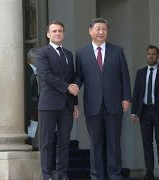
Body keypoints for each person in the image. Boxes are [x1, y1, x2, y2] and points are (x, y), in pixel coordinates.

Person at [75, 18, 131, 180]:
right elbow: (79, 76)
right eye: (98, 29)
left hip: (114, 104)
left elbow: (124, 76)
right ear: (90, 31)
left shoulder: (117, 51)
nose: (101, 32)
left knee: (114, 143)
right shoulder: (81, 53)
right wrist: (74, 87)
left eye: (104, 29)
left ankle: (115, 175)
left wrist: (126, 97)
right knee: (96, 144)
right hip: (93, 105)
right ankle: (96, 176)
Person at [35, 20, 79, 180]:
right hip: (48, 103)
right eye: (54, 31)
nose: (57, 33)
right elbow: (46, 75)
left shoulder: (68, 54)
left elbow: (72, 79)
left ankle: (62, 175)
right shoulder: (42, 53)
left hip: (67, 104)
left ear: (64, 34)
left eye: (60, 31)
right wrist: (67, 87)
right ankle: (47, 176)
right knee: (47, 142)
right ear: (48, 34)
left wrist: (75, 103)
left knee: (64, 142)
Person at [131, 45, 159, 180]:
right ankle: (149, 173)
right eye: (149, 54)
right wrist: (133, 112)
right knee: (146, 144)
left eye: (153, 54)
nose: (151, 56)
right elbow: (136, 93)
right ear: (146, 55)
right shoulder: (140, 73)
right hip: (144, 112)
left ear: (157, 57)